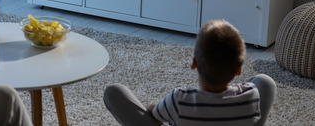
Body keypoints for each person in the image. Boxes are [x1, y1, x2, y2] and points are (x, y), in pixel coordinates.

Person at [103, 20, 275, 126]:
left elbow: (155, 115)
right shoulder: (250, 96)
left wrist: (152, 106)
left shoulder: (180, 99)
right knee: (265, 81)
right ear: (239, 69)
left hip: (173, 112)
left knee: (113, 91)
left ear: (194, 63)